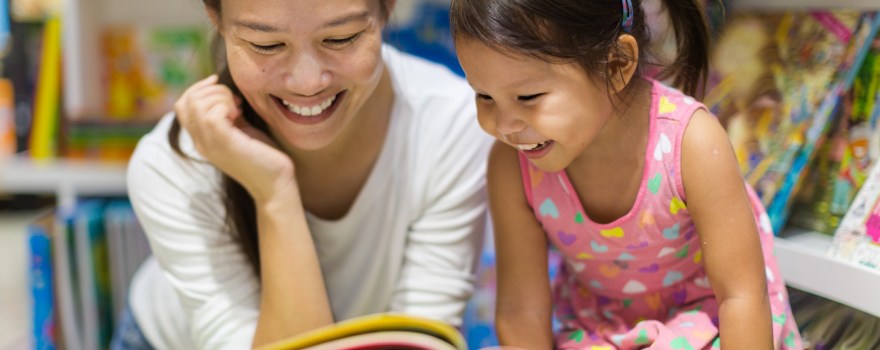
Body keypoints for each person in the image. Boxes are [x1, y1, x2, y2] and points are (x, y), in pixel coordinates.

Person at [114, 0, 493, 348]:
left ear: (387, 8)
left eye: (341, 38)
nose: (308, 82)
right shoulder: (173, 164)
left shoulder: (453, 125)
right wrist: (274, 193)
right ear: (217, 20)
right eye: (266, 44)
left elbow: (416, 338)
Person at [450, 0, 803, 349]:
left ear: (617, 64)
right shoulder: (512, 164)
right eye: (484, 96)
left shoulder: (692, 143)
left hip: (710, 320)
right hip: (599, 330)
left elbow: (741, 297)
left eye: (528, 96)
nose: (505, 125)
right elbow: (521, 310)